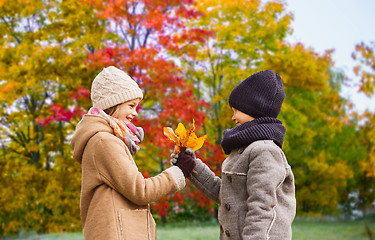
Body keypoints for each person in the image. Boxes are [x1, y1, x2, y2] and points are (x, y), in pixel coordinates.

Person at [71, 66, 195, 240]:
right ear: (112, 104)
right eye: (131, 105)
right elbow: (140, 191)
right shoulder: (104, 141)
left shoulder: (108, 139)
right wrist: (178, 172)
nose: (134, 113)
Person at [174, 70, 296, 240]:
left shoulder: (265, 151)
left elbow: (261, 207)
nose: (233, 117)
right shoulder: (243, 150)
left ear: (254, 109)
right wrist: (192, 167)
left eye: (236, 110)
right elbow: (225, 194)